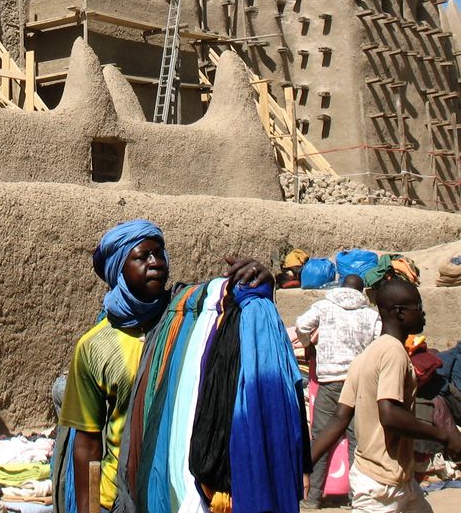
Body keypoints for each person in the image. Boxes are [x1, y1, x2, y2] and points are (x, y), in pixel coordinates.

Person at [57, 219, 273, 513]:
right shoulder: (95, 346)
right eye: (143, 256)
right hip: (118, 496)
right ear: (119, 268)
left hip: (177, 494)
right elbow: (87, 440)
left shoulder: (189, 323)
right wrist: (88, 509)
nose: (156, 262)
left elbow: (231, 316)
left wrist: (260, 284)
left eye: (160, 254)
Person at [309, 278, 461, 512]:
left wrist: (303, 464)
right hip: (381, 487)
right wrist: (444, 435)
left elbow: (339, 419)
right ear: (399, 313)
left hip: (396, 479)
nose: (423, 315)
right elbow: (389, 416)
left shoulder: (364, 357)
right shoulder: (393, 352)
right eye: (418, 308)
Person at [296, 274, 381, 508]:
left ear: (341, 287)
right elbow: (379, 342)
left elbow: (302, 325)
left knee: (322, 437)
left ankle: (312, 499)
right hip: (359, 385)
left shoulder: (323, 307)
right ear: (361, 291)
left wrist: (308, 346)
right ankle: (356, 498)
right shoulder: (371, 316)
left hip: (329, 382)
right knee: (357, 440)